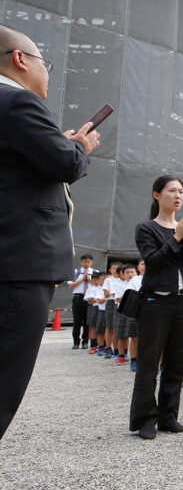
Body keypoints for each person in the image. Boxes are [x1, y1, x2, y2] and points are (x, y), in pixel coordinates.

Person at [0, 24, 100, 440]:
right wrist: (79, 146)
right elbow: (63, 164)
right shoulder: (16, 100)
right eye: (46, 63)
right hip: (17, 266)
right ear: (21, 60)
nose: (47, 72)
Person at [129, 175, 183, 440]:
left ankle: (168, 416)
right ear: (156, 195)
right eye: (171, 191)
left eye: (181, 191)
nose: (177, 196)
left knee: (176, 362)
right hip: (154, 302)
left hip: (182, 301)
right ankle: (145, 419)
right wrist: (176, 238)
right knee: (149, 363)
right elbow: (152, 262)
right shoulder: (146, 228)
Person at [67, 254, 94, 349]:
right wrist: (83, 279)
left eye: (88, 261)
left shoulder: (95, 272)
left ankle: (85, 341)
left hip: (89, 298)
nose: (86, 263)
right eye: (84, 261)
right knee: (77, 321)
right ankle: (76, 342)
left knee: (87, 322)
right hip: (78, 297)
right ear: (81, 262)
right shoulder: (75, 272)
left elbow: (97, 285)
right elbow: (70, 285)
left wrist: (89, 279)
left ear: (91, 262)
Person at [102, 261, 121, 360]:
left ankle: (118, 350)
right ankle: (108, 348)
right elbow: (105, 294)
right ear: (110, 270)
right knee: (109, 327)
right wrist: (112, 293)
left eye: (118, 268)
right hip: (111, 302)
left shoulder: (124, 280)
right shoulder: (108, 280)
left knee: (117, 328)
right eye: (114, 268)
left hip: (120, 303)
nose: (116, 270)